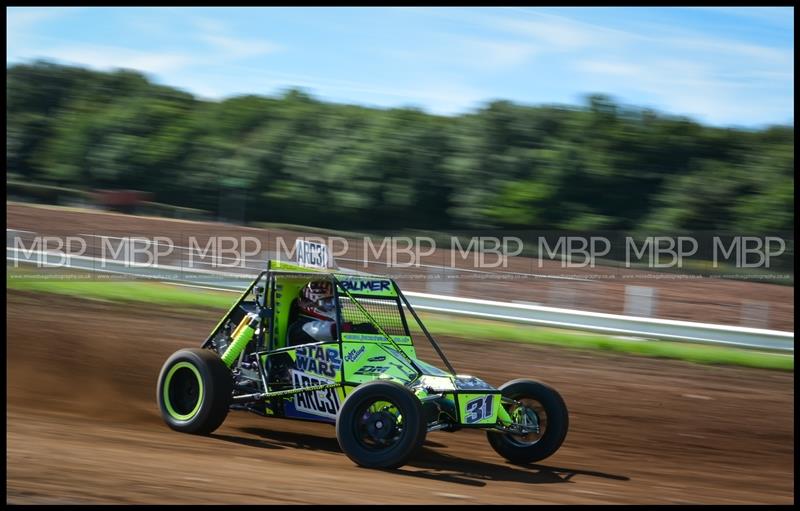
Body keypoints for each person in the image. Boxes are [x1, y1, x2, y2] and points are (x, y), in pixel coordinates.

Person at [286, 280, 338, 346]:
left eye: (334, 301)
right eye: (328, 303)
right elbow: (335, 330)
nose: (333, 306)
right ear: (309, 305)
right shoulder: (301, 328)